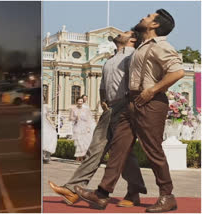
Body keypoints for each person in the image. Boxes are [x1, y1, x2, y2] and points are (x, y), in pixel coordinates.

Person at [74, 9, 184, 213]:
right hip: (131, 102)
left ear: (155, 25)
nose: (144, 17)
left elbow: (178, 72)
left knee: (153, 150)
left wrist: (152, 90)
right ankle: (101, 194)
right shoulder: (141, 46)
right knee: (118, 148)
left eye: (149, 16)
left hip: (150, 102)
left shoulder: (162, 46)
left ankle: (167, 195)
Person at [49, 30, 147, 207]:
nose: (119, 33)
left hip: (125, 107)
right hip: (110, 108)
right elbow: (103, 85)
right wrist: (103, 99)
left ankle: (132, 191)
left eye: (125, 32)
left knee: (121, 152)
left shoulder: (132, 57)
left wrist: (133, 106)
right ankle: (73, 189)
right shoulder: (109, 60)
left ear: (132, 39)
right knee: (99, 149)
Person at [69, 97, 94, 162]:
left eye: (81, 101)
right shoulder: (73, 109)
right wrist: (75, 118)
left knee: (84, 143)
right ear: (76, 101)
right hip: (77, 127)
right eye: (79, 101)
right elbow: (70, 118)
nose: (80, 102)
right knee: (78, 142)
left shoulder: (86, 109)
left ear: (83, 102)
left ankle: (82, 157)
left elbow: (89, 119)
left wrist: (89, 128)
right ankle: (78, 157)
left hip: (85, 127)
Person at [42, 96, 58, 163]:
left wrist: (53, 124)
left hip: (45, 124)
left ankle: (46, 155)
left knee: (48, 138)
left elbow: (47, 117)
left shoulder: (45, 106)